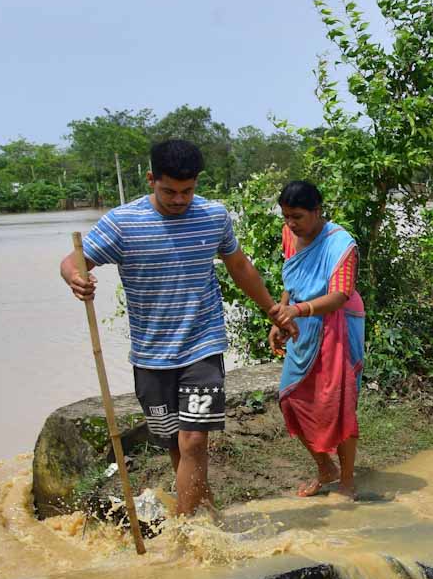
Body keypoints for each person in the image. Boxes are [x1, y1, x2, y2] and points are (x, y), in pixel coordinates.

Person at [61, 139, 290, 517]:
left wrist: (271, 310)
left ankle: (185, 535)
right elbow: (74, 260)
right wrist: (75, 278)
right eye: (170, 191)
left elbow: (239, 266)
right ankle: (205, 510)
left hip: (202, 345)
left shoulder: (214, 216)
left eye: (188, 191)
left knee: (195, 440)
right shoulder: (122, 223)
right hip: (151, 356)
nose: (180, 199)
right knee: (174, 443)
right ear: (151, 179)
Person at [268, 180, 366, 498]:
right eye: (285, 216)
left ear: (317, 211)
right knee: (290, 398)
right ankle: (326, 469)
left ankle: (347, 480)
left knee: (340, 403)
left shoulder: (340, 244)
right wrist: (281, 315)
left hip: (339, 324)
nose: (291, 224)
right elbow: (291, 277)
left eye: (297, 216)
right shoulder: (290, 235)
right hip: (302, 321)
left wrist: (297, 311)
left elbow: (340, 295)